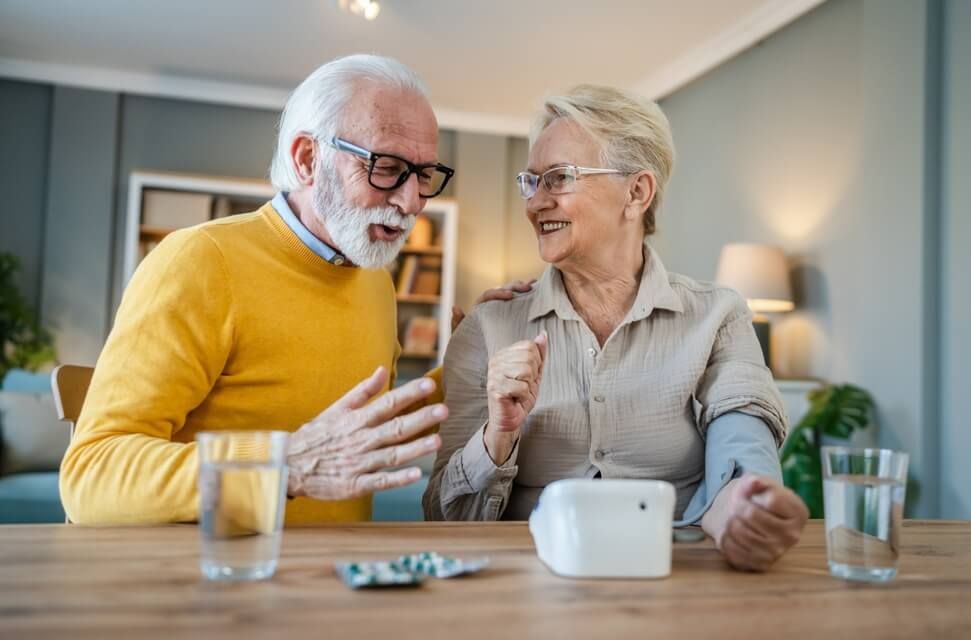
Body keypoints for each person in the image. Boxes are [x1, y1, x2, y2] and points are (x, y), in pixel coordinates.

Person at [60, 55, 526, 525]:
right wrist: (281, 466)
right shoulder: (200, 262)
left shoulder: (375, 280)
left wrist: (472, 357)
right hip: (217, 585)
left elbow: (364, 433)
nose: (411, 202)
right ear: (308, 158)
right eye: (386, 168)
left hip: (341, 583)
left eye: (424, 175)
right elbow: (91, 475)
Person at [424, 85, 808, 572]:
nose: (535, 203)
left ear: (637, 192)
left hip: (676, 576)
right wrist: (496, 436)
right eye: (532, 181)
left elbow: (741, 427)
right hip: (530, 583)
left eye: (559, 179)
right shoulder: (488, 326)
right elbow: (441, 514)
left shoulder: (717, 315)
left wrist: (740, 504)